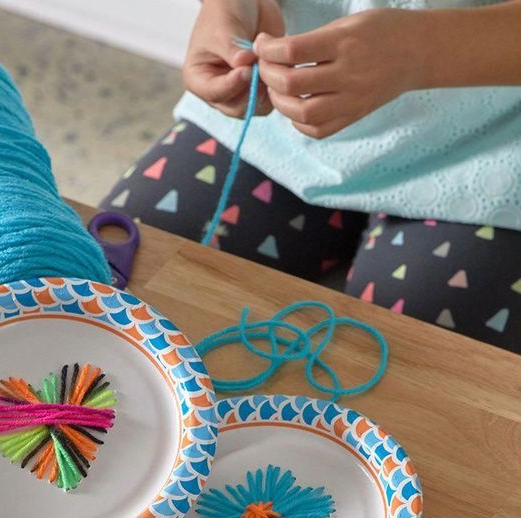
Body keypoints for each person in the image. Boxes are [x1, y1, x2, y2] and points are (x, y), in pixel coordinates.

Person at [100, 0, 521, 353]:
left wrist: (421, 51)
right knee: (115, 283)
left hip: (494, 149)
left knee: (420, 361)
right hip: (279, 109)